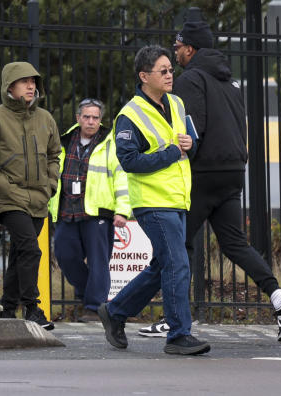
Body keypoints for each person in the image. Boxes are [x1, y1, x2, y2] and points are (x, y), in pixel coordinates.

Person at [162, 19, 281, 341]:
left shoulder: (190, 79)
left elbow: (192, 130)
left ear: (190, 48)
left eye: (178, 47)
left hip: (203, 174)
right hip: (233, 172)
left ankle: (174, 321)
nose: (174, 53)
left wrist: (183, 164)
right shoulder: (230, 81)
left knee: (177, 246)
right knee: (235, 243)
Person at [98, 45, 210, 356]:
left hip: (177, 199)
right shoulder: (129, 115)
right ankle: (177, 335)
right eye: (163, 71)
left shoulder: (176, 103)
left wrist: (191, 142)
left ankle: (115, 311)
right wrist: (174, 151)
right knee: (177, 264)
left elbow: (189, 143)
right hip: (152, 202)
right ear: (144, 76)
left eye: (170, 70)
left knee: (163, 266)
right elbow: (130, 160)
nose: (170, 74)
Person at [0, 62, 61, 330]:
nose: (30, 86)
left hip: (39, 198)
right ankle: (32, 308)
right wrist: (1, 184)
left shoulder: (45, 118)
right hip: (10, 198)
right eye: (24, 81)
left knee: (18, 254)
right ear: (9, 86)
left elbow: (53, 154)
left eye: (33, 81)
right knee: (30, 249)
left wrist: (50, 184)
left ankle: (8, 309)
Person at [49, 97, 129, 323]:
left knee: (98, 261)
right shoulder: (64, 141)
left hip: (98, 211)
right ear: (78, 118)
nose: (91, 122)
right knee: (65, 255)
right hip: (67, 209)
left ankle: (95, 307)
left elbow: (122, 177)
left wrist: (122, 210)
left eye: (95, 117)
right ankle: (89, 292)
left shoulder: (110, 143)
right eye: (87, 117)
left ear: (100, 120)